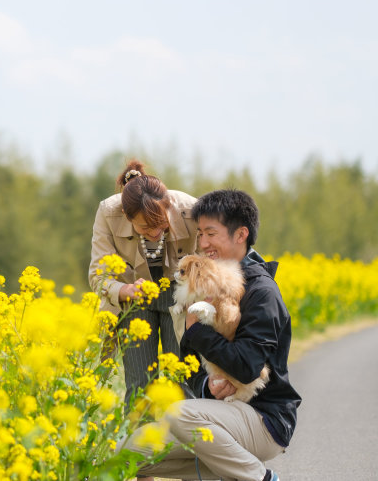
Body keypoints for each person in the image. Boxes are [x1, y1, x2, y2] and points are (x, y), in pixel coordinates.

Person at [129, 189, 302, 481]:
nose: (203, 243)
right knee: (124, 452)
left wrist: (196, 329)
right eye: (200, 234)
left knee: (180, 413)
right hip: (219, 416)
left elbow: (247, 368)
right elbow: (190, 365)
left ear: (241, 234)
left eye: (211, 233)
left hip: (263, 419)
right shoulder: (204, 288)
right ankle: (228, 471)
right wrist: (208, 386)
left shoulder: (262, 292)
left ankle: (260, 478)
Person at [88, 159, 199, 406]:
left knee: (181, 380)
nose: (156, 232)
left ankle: (187, 431)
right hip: (134, 298)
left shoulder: (191, 209)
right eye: (146, 227)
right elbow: (98, 275)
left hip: (180, 295)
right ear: (127, 216)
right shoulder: (108, 212)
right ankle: (140, 432)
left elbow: (211, 259)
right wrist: (124, 290)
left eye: (161, 223)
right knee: (140, 385)